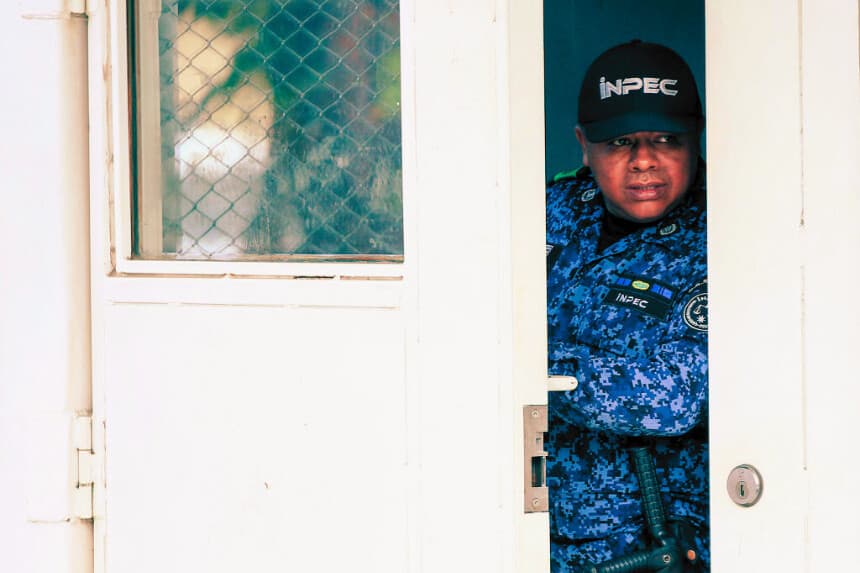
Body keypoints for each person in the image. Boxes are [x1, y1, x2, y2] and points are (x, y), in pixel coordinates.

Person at [545, 40, 709, 572]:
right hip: (520, 524)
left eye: (666, 139)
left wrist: (535, 366)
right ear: (584, 146)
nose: (644, 161)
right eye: (620, 142)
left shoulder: (727, 234)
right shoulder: (547, 211)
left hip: (643, 544)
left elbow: (677, 394)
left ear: (695, 142)